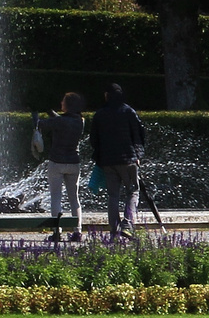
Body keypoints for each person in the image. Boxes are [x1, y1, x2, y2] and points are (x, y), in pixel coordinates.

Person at [90, 82, 147, 237]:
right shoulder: (128, 111)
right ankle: (127, 225)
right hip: (128, 160)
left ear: (107, 95)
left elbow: (93, 140)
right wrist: (138, 156)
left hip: (108, 162)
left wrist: (100, 156)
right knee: (133, 192)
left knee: (113, 195)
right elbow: (139, 134)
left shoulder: (100, 114)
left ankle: (114, 230)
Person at [37, 92, 87, 242]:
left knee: (56, 197)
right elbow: (59, 119)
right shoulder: (80, 121)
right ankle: (77, 231)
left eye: (63, 101)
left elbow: (42, 124)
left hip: (57, 162)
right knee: (74, 198)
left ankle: (56, 231)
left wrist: (39, 113)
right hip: (73, 162)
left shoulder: (60, 122)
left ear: (67, 105)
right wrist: (50, 111)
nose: (61, 103)